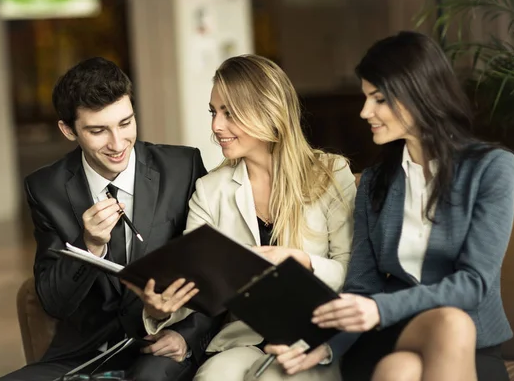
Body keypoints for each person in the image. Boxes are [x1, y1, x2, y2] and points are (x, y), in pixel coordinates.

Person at [267, 31, 514, 381]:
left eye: (379, 99)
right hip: (389, 332)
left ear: (419, 94)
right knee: (408, 354)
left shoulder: (490, 168)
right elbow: (361, 287)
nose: (365, 111)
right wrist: (326, 348)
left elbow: (474, 282)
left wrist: (379, 308)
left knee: (411, 361)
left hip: (468, 339)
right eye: (366, 97)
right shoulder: (375, 181)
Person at [132, 54, 356, 381]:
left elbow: (353, 272)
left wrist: (301, 260)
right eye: (213, 112)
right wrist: (159, 308)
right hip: (242, 340)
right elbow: (197, 287)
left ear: (268, 111)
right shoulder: (210, 191)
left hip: (315, 338)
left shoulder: (331, 174)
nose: (215, 126)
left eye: (229, 113)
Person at [0, 57, 219, 381]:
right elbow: (53, 300)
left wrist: (187, 335)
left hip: (164, 343)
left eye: (126, 123)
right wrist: (88, 246)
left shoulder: (182, 167)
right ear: (68, 129)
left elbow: (213, 268)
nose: (118, 144)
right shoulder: (46, 188)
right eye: (98, 131)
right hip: (87, 350)